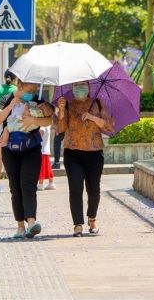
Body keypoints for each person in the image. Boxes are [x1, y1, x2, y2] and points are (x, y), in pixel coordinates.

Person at [0, 80, 54, 239]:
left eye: (34, 89)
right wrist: (11, 104)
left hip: (31, 147)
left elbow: (49, 119)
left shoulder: (37, 99)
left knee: (28, 185)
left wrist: (33, 120)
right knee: (15, 187)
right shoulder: (5, 98)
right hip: (10, 149)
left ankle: (31, 223)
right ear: (19, 86)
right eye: (29, 89)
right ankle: (20, 226)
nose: (32, 92)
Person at [56, 82, 114, 237]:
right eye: (76, 85)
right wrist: (61, 111)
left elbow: (109, 126)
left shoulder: (97, 103)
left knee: (94, 190)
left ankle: (92, 218)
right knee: (75, 189)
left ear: (88, 87)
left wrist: (92, 117)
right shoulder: (67, 105)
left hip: (94, 153)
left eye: (82, 85)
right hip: (72, 153)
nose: (79, 89)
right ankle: (78, 224)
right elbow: (60, 128)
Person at [37, 122, 54, 191]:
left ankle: (40, 184)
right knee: (48, 168)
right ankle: (51, 183)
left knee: (41, 168)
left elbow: (41, 132)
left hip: (42, 150)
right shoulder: (48, 123)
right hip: (46, 150)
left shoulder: (42, 124)